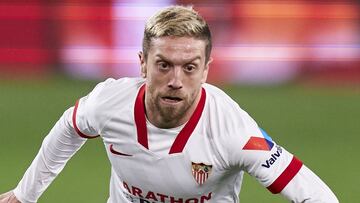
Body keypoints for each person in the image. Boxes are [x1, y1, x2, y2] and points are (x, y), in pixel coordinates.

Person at [0, 5, 338, 203]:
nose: (176, 79)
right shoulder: (109, 103)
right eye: (164, 65)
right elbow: (69, 127)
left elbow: (315, 194)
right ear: (142, 63)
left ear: (206, 70)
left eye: (189, 67)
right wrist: (24, 195)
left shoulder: (233, 131)